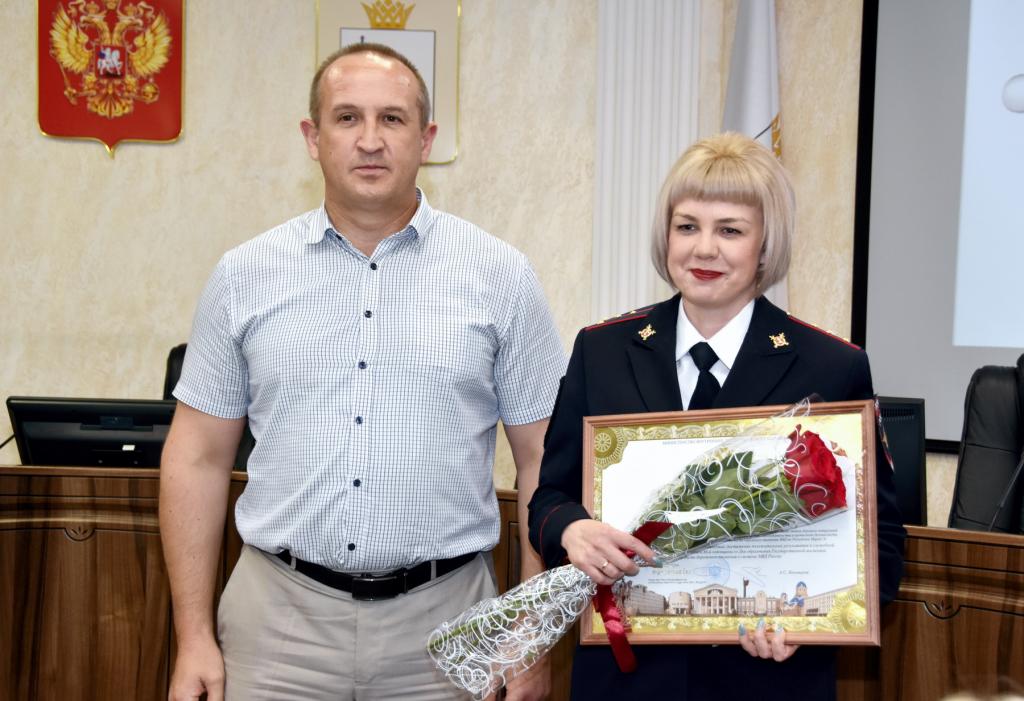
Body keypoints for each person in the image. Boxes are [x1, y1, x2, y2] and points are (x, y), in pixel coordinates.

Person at [160, 43, 564, 701]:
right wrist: (192, 634)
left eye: (392, 119)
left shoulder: (502, 277)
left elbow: (543, 460)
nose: (370, 140)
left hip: (449, 627)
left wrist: (529, 633)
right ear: (312, 137)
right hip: (277, 631)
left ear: (426, 139)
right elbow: (196, 459)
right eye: (347, 117)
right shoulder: (243, 275)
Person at [528, 132, 906, 700]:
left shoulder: (832, 367)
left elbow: (883, 545)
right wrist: (571, 530)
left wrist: (812, 625)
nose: (704, 249)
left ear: (765, 245)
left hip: (766, 681)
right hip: (626, 679)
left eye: (730, 230)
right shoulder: (600, 351)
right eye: (687, 226)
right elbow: (548, 498)